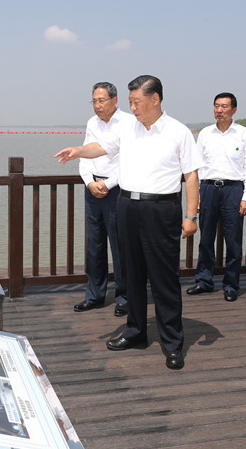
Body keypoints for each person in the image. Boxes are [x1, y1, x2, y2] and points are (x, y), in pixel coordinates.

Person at [55, 75, 201, 370]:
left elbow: (191, 175)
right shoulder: (127, 129)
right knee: (131, 273)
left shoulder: (178, 131)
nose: (132, 108)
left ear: (155, 99)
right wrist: (78, 151)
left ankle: (172, 343)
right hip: (127, 206)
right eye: (131, 102)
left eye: (137, 102)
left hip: (161, 208)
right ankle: (135, 331)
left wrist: (190, 216)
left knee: (164, 278)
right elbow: (101, 147)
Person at [186, 92, 246, 302]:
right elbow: (197, 167)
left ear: (234, 110)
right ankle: (204, 281)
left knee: (233, 240)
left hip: (233, 190)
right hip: (208, 189)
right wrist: (197, 195)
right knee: (206, 238)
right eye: (216, 106)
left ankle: (231, 285)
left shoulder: (243, 134)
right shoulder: (205, 134)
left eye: (224, 106)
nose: (219, 110)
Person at [74, 82, 135, 316]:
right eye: (94, 101)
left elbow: (129, 160)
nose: (97, 105)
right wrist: (89, 182)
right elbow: (85, 155)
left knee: (120, 246)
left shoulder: (129, 122)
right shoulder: (92, 122)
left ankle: (124, 297)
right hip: (93, 190)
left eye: (102, 100)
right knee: (94, 245)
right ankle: (94, 295)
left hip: (117, 189)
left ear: (115, 100)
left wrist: (107, 184)